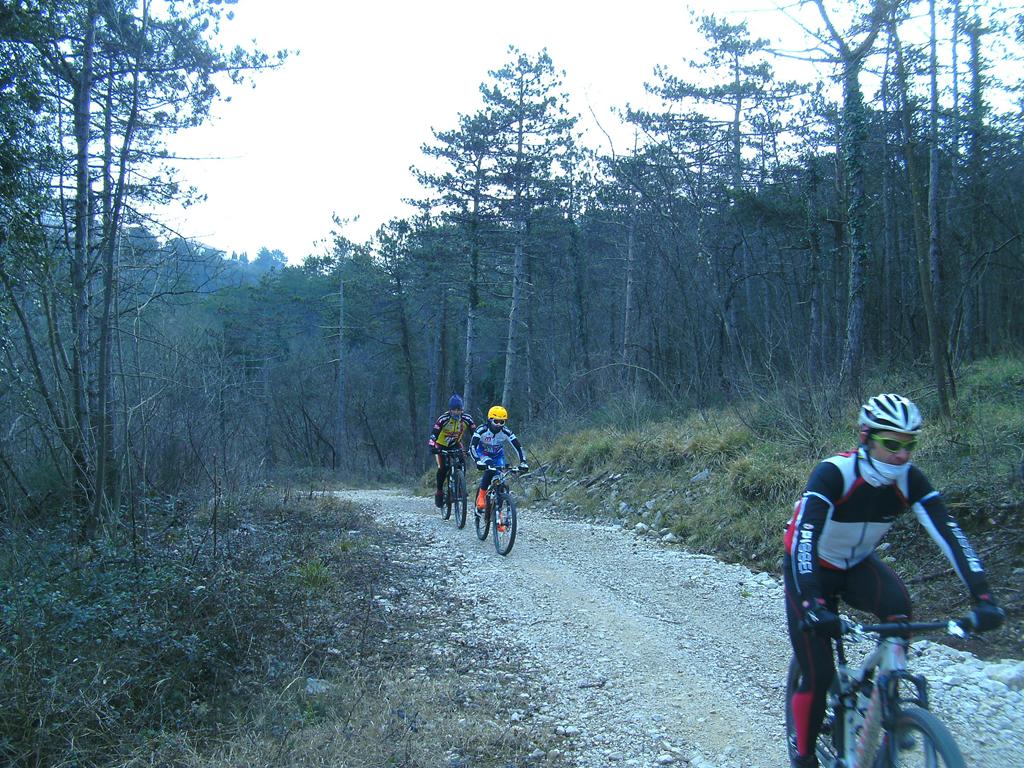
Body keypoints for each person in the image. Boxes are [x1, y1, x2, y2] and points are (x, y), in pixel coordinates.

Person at [783, 393, 1005, 768]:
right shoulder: (835, 473)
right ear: (866, 438)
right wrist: (812, 603)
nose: (902, 455)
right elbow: (805, 535)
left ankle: (888, 705)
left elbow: (950, 534)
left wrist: (983, 596)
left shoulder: (909, 480)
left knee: (899, 609)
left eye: (909, 445)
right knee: (819, 673)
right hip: (809, 567)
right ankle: (803, 757)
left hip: (856, 564)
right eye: (891, 444)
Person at [469, 405, 528, 511]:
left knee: (501, 478)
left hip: (498, 455)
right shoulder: (482, 430)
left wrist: (523, 462)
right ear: (490, 420)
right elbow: (472, 446)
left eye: (502, 422)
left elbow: (518, 447)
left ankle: (498, 512)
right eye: (496, 421)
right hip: (483, 453)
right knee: (490, 469)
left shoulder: (506, 432)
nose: (499, 425)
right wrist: (477, 461)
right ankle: (481, 496)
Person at [428, 394, 476, 508]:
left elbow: (475, 434)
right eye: (454, 409)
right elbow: (434, 434)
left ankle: (460, 486)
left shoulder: (467, 419)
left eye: (459, 410)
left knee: (462, 462)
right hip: (441, 445)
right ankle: (439, 491)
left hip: (455, 444)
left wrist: (475, 446)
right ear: (450, 410)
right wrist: (432, 446)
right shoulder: (443, 419)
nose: (456, 412)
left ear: (462, 409)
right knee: (443, 468)